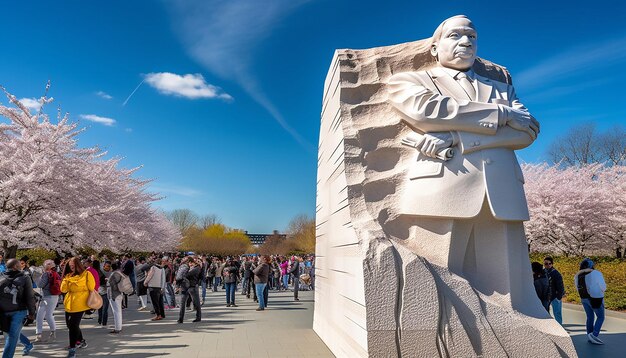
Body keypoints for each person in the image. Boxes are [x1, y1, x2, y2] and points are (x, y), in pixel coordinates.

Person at [386, 15, 541, 311]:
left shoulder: (503, 90)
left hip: (502, 193)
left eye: (471, 37)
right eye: (455, 36)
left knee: (510, 298)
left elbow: (528, 132)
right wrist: (502, 115)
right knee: (433, 287)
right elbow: (428, 110)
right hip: (442, 188)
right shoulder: (410, 80)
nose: (466, 42)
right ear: (434, 48)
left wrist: (458, 138)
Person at [61, 257, 96, 357]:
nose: (72, 268)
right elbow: (63, 290)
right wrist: (65, 280)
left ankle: (72, 349)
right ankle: (81, 341)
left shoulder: (86, 274)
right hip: (69, 303)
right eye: (70, 266)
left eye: (73, 266)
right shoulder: (68, 275)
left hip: (80, 303)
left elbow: (92, 287)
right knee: (70, 325)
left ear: (78, 265)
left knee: (73, 326)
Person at [0, 258, 36, 357]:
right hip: (19, 311)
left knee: (10, 335)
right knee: (12, 336)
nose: (21, 265)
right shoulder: (25, 277)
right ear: (15, 266)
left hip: (3, 311)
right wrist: (32, 313)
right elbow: (29, 296)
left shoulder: (1, 276)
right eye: (19, 264)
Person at [574, 258, 606, 345]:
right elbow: (603, 287)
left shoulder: (577, 275)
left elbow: (577, 288)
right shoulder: (596, 273)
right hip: (595, 298)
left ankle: (589, 335)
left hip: (583, 298)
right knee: (601, 317)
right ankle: (594, 335)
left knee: (590, 317)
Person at [35, 259, 60, 342]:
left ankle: (42, 334)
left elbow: (40, 285)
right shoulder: (56, 274)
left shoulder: (46, 274)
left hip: (47, 297)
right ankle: (47, 333)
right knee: (42, 315)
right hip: (54, 296)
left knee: (44, 315)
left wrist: (37, 277)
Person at [177, 258, 201, 323]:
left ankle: (198, 317)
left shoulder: (197, 268)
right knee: (182, 303)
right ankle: (180, 318)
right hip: (185, 287)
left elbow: (188, 275)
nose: (190, 264)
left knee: (196, 303)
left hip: (192, 287)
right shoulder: (187, 268)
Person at [544, 256, 564, 325]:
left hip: (555, 297)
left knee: (557, 313)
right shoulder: (543, 272)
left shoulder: (556, 273)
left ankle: (560, 328)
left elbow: (560, 286)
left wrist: (559, 296)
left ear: (552, 264)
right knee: (546, 313)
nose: (548, 265)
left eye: (550, 263)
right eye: (546, 264)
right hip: (546, 297)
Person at [107, 262, 124, 334]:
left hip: (114, 294)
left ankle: (117, 328)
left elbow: (113, 286)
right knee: (119, 311)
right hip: (120, 293)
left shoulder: (113, 274)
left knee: (116, 312)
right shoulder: (120, 273)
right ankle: (119, 326)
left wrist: (108, 282)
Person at [94, 260, 110, 328]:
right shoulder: (102, 272)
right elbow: (101, 281)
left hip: (98, 291)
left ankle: (100, 320)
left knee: (100, 307)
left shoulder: (94, 271)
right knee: (105, 308)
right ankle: (104, 323)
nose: (106, 267)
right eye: (106, 265)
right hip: (104, 291)